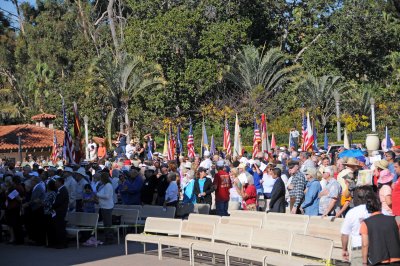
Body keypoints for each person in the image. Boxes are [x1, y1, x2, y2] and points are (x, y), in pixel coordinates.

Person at [360, 192, 400, 265]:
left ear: (368, 208)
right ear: (380, 206)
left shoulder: (366, 223)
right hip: (397, 258)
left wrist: (364, 262)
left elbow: (365, 244)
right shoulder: (393, 219)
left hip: (378, 260)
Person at [341, 186, 373, 265]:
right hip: (374, 248)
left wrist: (344, 249)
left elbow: (345, 234)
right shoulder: (376, 210)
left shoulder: (352, 212)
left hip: (358, 249)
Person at [49, 175, 69, 249]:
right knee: (57, 227)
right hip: (58, 211)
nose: (55, 183)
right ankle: (58, 242)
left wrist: (52, 206)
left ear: (60, 182)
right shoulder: (60, 190)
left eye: (56, 182)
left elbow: (59, 202)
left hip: (60, 211)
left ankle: (62, 243)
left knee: (60, 228)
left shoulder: (63, 190)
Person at [96, 172, 114, 244]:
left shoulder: (108, 185)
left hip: (107, 207)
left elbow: (107, 196)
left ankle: (109, 238)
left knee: (108, 223)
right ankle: (107, 237)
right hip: (103, 206)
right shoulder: (105, 185)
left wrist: (97, 194)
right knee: (105, 223)